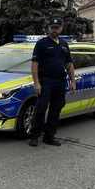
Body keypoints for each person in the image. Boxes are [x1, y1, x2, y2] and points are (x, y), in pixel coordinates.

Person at [29, 17, 76, 147]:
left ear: (61, 28)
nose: (54, 30)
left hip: (60, 82)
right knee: (41, 108)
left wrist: (72, 81)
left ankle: (49, 136)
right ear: (49, 28)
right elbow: (34, 64)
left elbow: (69, 64)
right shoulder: (42, 43)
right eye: (52, 27)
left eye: (57, 27)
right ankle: (34, 136)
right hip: (46, 81)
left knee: (56, 109)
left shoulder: (64, 44)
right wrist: (36, 83)